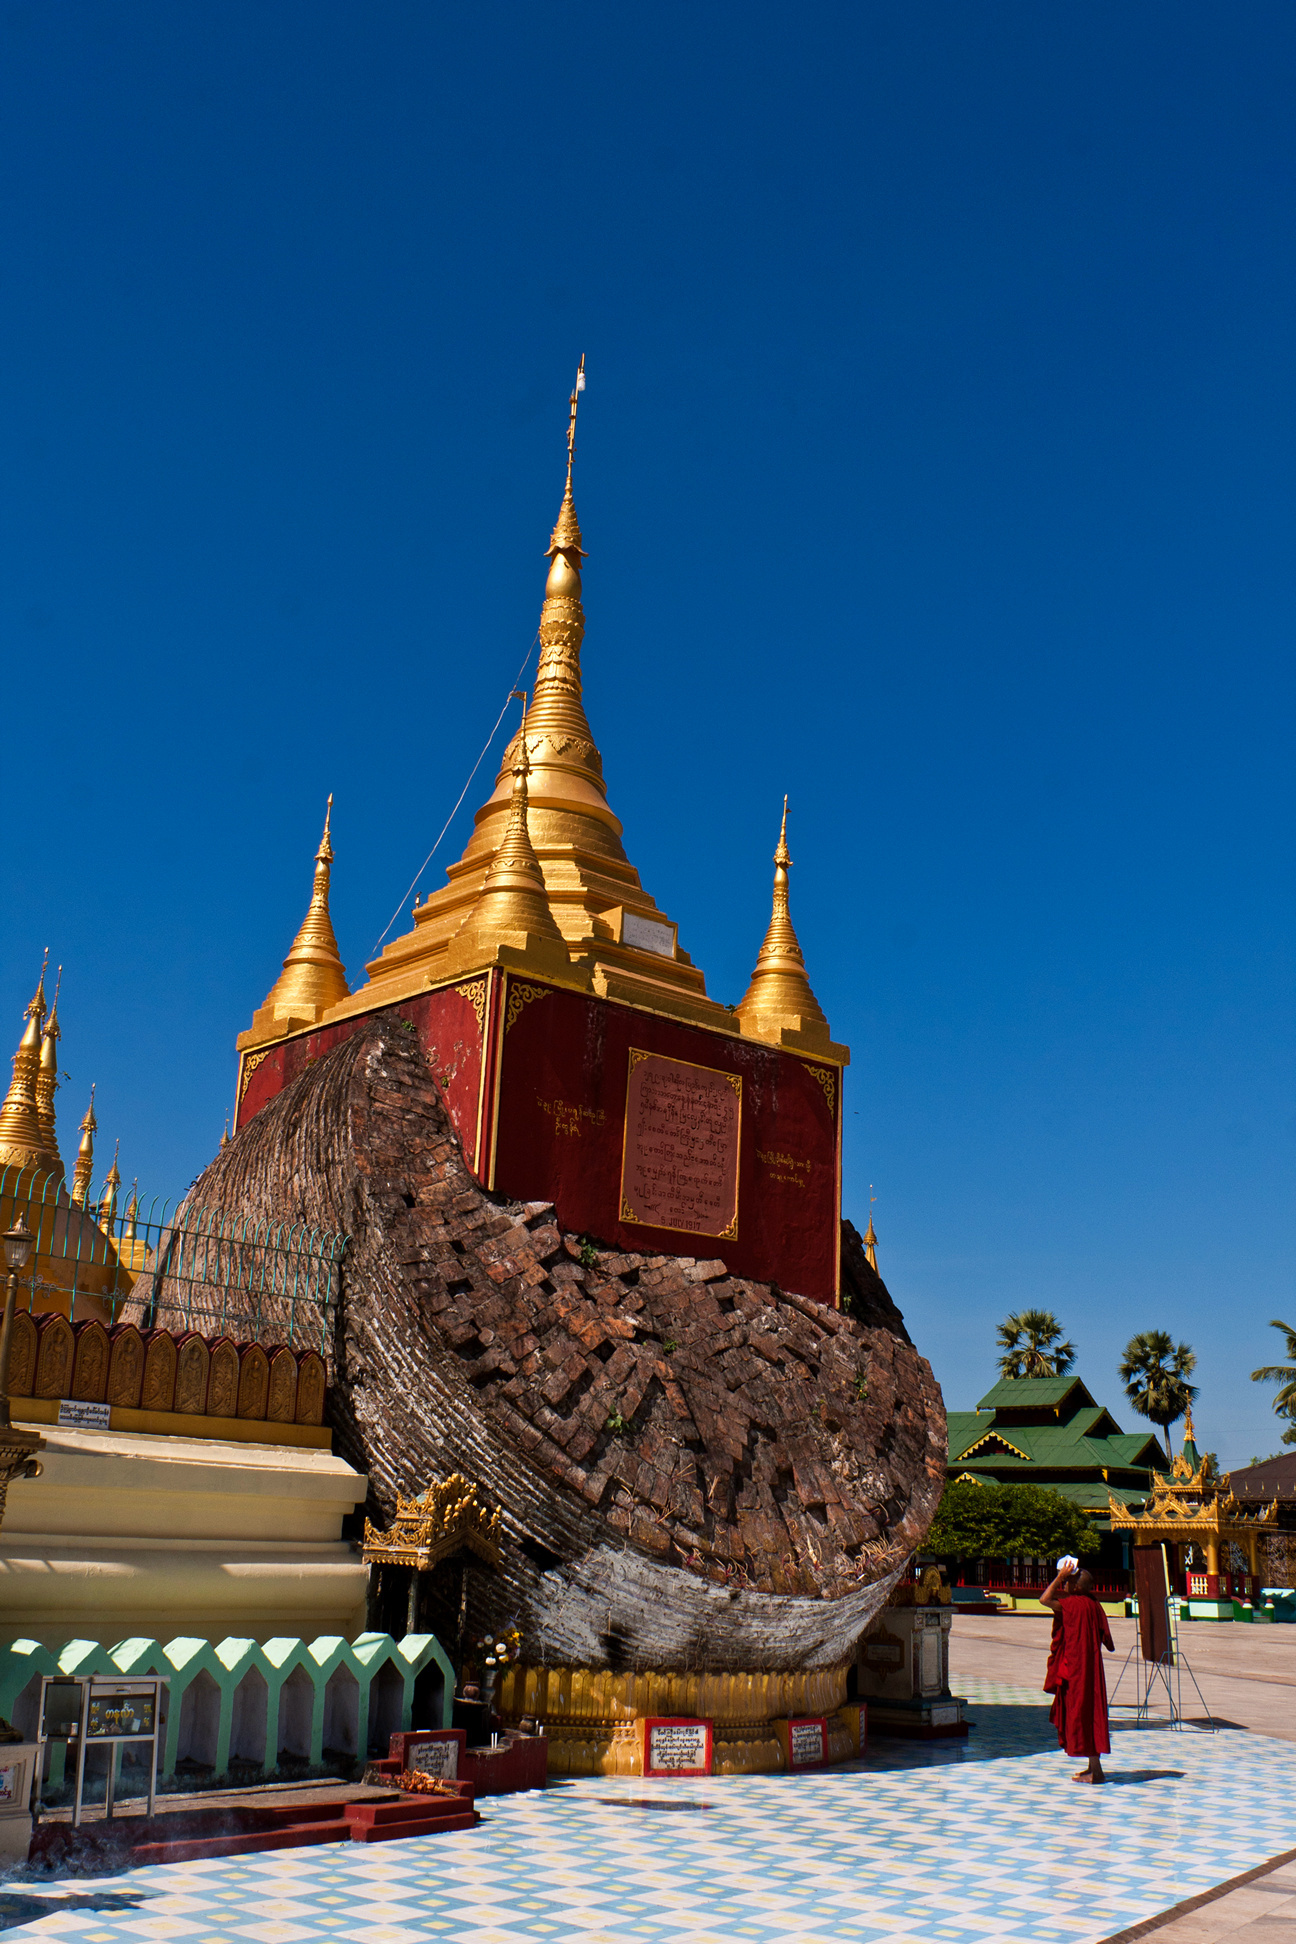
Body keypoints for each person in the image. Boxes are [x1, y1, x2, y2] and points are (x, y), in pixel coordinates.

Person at [1041, 1560, 1114, 1783]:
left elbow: (1044, 1599)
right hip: (1091, 1668)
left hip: (1075, 1669)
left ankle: (1096, 1771)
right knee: (1092, 1713)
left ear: (1076, 1586)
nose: (1065, 1585)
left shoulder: (1072, 1605)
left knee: (1080, 1712)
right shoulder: (1094, 1605)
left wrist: (1060, 1576)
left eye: (1069, 1581)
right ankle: (1095, 1768)